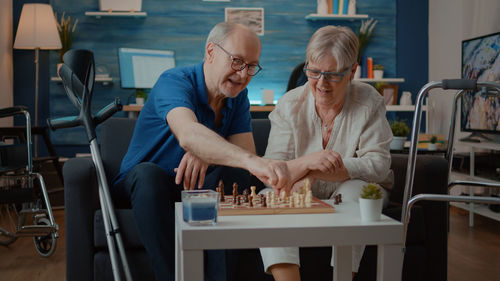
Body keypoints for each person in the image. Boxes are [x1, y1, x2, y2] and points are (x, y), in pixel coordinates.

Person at [113, 22, 291, 281]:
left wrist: (207, 150)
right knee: (149, 176)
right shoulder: (173, 81)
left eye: (251, 67)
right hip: (146, 186)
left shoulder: (237, 97)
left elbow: (244, 150)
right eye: (237, 61)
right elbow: (188, 133)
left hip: (195, 188)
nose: (243, 75)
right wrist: (203, 146)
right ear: (210, 52)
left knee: (236, 172)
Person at [259, 25, 394, 281]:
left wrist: (312, 174)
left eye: (332, 75)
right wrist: (311, 161)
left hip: (358, 187)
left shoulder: (369, 101)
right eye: (314, 71)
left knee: (355, 192)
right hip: (299, 191)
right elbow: (272, 170)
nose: (321, 83)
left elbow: (378, 165)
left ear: (352, 71)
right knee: (270, 199)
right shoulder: (290, 103)